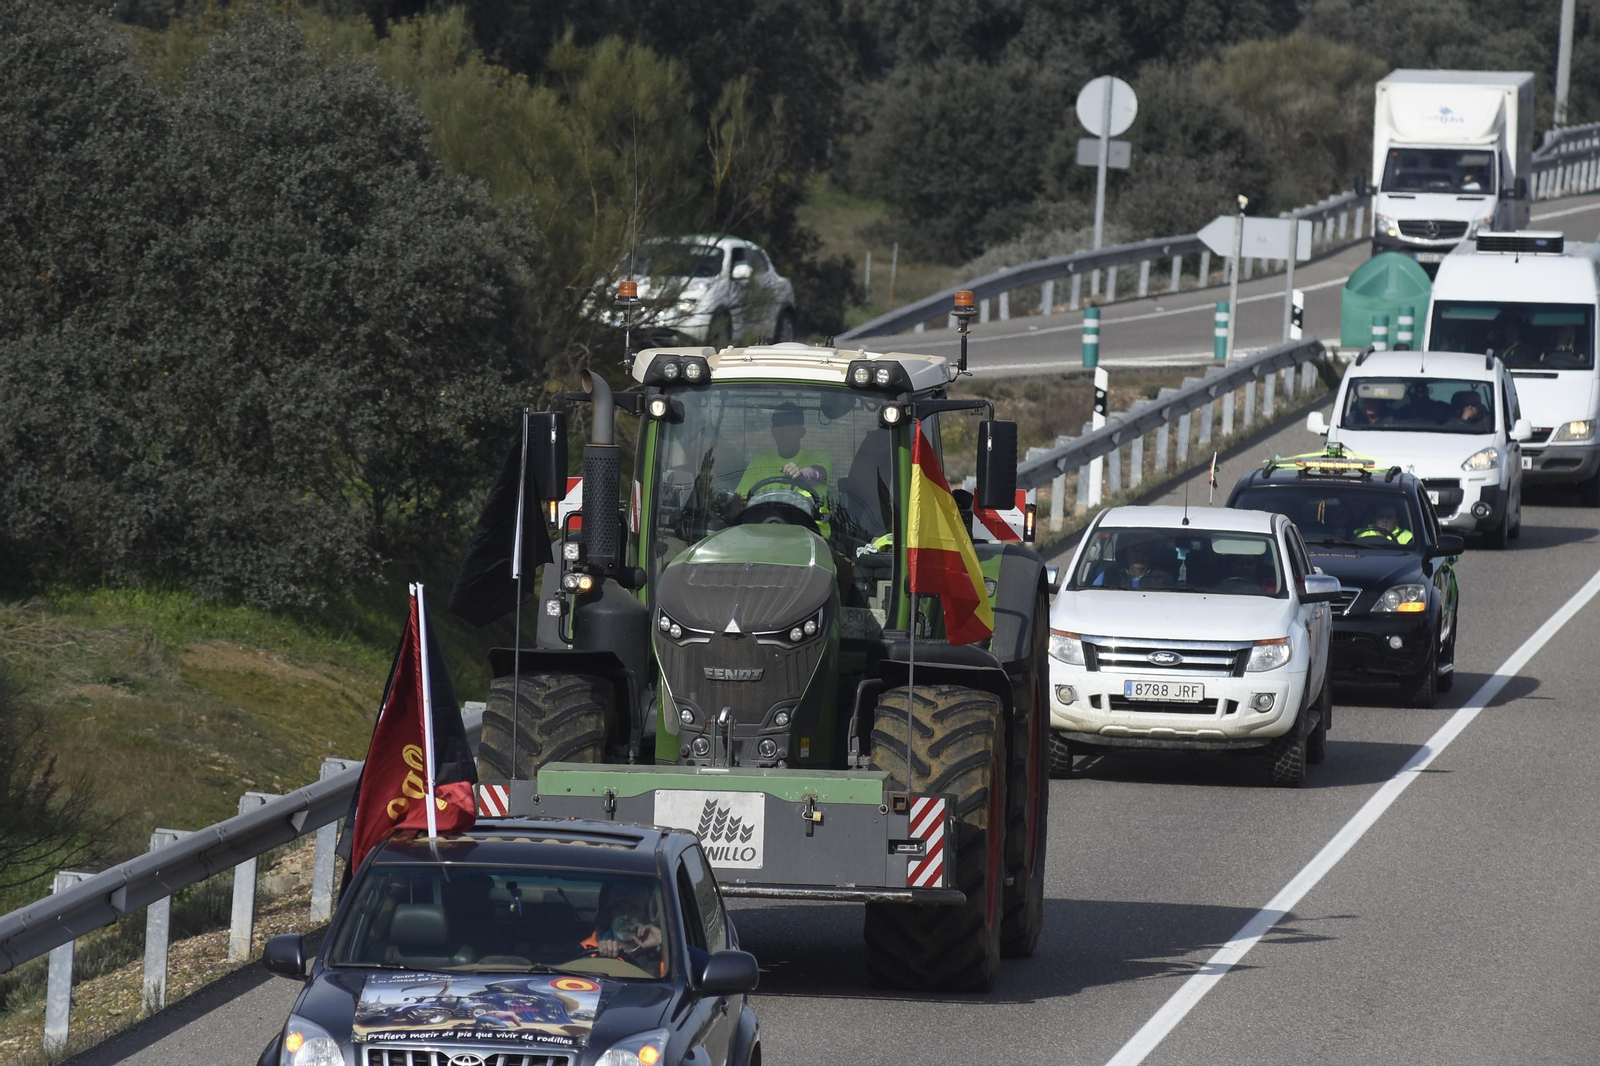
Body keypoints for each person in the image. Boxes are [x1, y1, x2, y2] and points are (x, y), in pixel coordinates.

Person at [726, 403, 831, 523]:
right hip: (763, 535)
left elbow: (819, 474)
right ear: (773, 432)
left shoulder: (819, 458)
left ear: (802, 432)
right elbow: (739, 502)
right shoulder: (760, 462)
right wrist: (726, 508)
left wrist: (801, 474)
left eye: (790, 427)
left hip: (814, 535)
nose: (784, 433)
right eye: (779, 426)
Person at [580, 880, 665, 974]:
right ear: (610, 914)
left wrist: (662, 941)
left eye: (634, 909)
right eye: (619, 908)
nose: (625, 917)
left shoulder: (662, 955)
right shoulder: (586, 949)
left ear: (645, 915)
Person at [1094, 538, 1175, 589]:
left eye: (1146, 551)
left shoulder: (1164, 580)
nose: (1140, 555)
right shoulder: (1109, 575)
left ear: (1152, 556)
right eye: (1136, 550)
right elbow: (1092, 597)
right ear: (1127, 553)